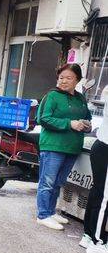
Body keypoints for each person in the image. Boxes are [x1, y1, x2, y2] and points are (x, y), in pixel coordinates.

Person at [35, 64, 92, 230]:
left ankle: (51, 211)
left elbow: (87, 117)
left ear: (77, 80)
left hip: (72, 146)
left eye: (69, 78)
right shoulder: (52, 96)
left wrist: (86, 125)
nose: (63, 81)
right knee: (47, 181)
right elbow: (43, 119)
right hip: (53, 146)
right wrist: (70, 124)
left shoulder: (81, 98)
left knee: (58, 182)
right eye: (61, 77)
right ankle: (43, 214)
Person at [83, 85, 108, 253]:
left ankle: (89, 234)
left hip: (102, 145)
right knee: (104, 197)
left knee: (99, 192)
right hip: (105, 146)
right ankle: (97, 241)